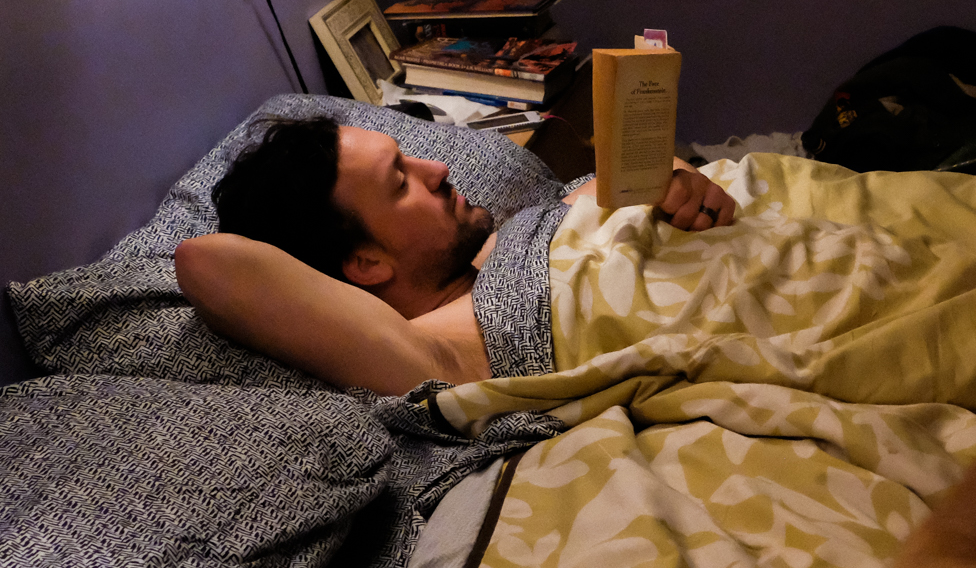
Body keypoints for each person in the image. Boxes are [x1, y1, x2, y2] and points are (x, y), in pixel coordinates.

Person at [174, 115, 736, 395]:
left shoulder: (507, 240)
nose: (437, 169)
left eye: (409, 158)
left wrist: (678, 186)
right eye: (400, 183)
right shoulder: (433, 353)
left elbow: (615, 183)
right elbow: (204, 262)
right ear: (367, 264)